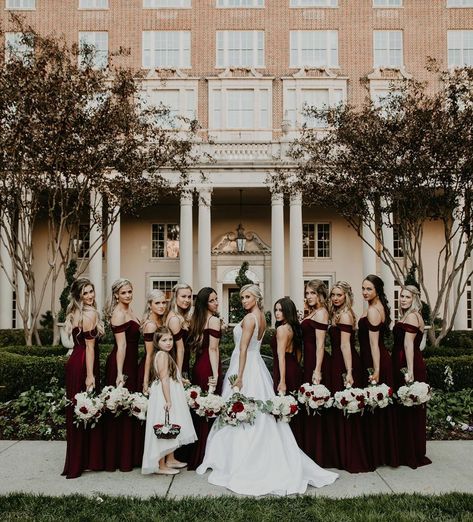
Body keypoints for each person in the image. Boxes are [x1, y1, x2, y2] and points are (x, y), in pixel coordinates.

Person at [197, 284, 338, 496]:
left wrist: (240, 377)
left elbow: (243, 348)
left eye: (247, 297)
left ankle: (237, 458)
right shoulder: (262, 317)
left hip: (244, 366)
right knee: (260, 414)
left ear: (256, 298)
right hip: (259, 367)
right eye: (242, 297)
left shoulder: (249, 319)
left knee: (239, 411)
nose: (242, 300)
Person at [62, 278, 104, 479]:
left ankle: (76, 461)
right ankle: (82, 462)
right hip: (83, 365)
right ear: (78, 295)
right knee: (85, 410)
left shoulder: (73, 313)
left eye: (91, 292)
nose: (89, 296)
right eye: (85, 293)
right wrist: (90, 375)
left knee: (77, 411)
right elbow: (89, 348)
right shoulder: (90, 314)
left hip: (73, 363)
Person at [142, 327, 197, 475]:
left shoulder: (164, 355)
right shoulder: (162, 356)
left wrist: (180, 380)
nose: (168, 343)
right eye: (164, 340)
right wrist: (168, 400)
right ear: (157, 342)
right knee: (164, 426)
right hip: (163, 395)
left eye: (170, 339)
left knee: (170, 425)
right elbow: (164, 379)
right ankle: (161, 464)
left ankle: (170, 458)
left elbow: (169, 376)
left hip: (167, 391)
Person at [328, 281, 370, 473]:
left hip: (346, 362)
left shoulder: (345, 315)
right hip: (339, 360)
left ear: (346, 296)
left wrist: (350, 372)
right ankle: (341, 452)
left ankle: (350, 455)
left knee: (347, 406)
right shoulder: (337, 313)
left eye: (339, 295)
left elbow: (345, 345)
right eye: (333, 295)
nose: (335, 298)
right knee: (341, 407)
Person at [358, 274, 399, 469]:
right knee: (378, 408)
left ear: (377, 291)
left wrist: (376, 371)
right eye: (363, 288)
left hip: (376, 361)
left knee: (376, 407)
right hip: (375, 359)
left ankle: (376, 454)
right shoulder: (376, 306)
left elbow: (374, 345)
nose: (365, 292)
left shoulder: (374, 311)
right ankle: (381, 451)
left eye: (369, 289)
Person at [392, 285, 431, 468]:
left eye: (407, 297)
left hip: (408, 364)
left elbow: (409, 345)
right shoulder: (407, 316)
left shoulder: (413, 316)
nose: (403, 299)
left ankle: (411, 453)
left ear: (414, 299)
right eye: (402, 296)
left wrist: (410, 371)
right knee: (406, 408)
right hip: (404, 362)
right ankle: (408, 449)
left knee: (410, 407)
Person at [104, 278, 141, 472]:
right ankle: (117, 459)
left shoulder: (130, 310)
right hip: (121, 363)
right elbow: (122, 346)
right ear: (116, 295)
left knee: (130, 408)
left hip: (132, 363)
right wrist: (119, 373)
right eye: (124, 292)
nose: (128, 295)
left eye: (130, 291)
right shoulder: (118, 314)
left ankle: (130, 455)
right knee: (120, 408)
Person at [187, 287, 223, 470]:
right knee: (210, 409)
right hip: (209, 366)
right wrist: (216, 374)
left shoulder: (197, 320)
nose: (216, 302)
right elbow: (213, 349)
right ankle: (209, 454)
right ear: (204, 303)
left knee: (201, 410)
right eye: (212, 300)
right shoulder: (214, 320)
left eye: (216, 299)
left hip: (198, 367)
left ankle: (198, 453)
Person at [300, 279, 334, 467]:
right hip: (309, 360)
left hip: (317, 362)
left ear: (321, 294)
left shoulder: (321, 313)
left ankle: (320, 453)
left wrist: (317, 370)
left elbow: (321, 344)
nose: (309, 296)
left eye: (313, 293)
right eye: (307, 293)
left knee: (316, 407)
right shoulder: (313, 312)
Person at [135, 290, 168, 465]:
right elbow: (149, 355)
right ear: (150, 305)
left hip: (161, 367)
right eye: (158, 303)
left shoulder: (161, 321)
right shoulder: (150, 325)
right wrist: (146, 381)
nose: (162, 306)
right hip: (152, 370)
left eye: (164, 302)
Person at [271, 296, 303, 445]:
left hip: (283, 368)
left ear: (288, 311)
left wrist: (282, 380)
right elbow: (298, 353)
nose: (277, 313)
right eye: (276, 310)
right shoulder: (294, 328)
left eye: (281, 310)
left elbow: (280, 356)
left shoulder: (281, 329)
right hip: (294, 368)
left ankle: (285, 444)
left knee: (283, 406)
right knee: (292, 405)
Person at [166, 283, 192, 376]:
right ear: (175, 297)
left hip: (184, 361)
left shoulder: (181, 316)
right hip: (177, 363)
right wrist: (179, 374)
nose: (187, 300)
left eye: (189, 297)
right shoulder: (174, 319)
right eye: (183, 296)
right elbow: (180, 349)